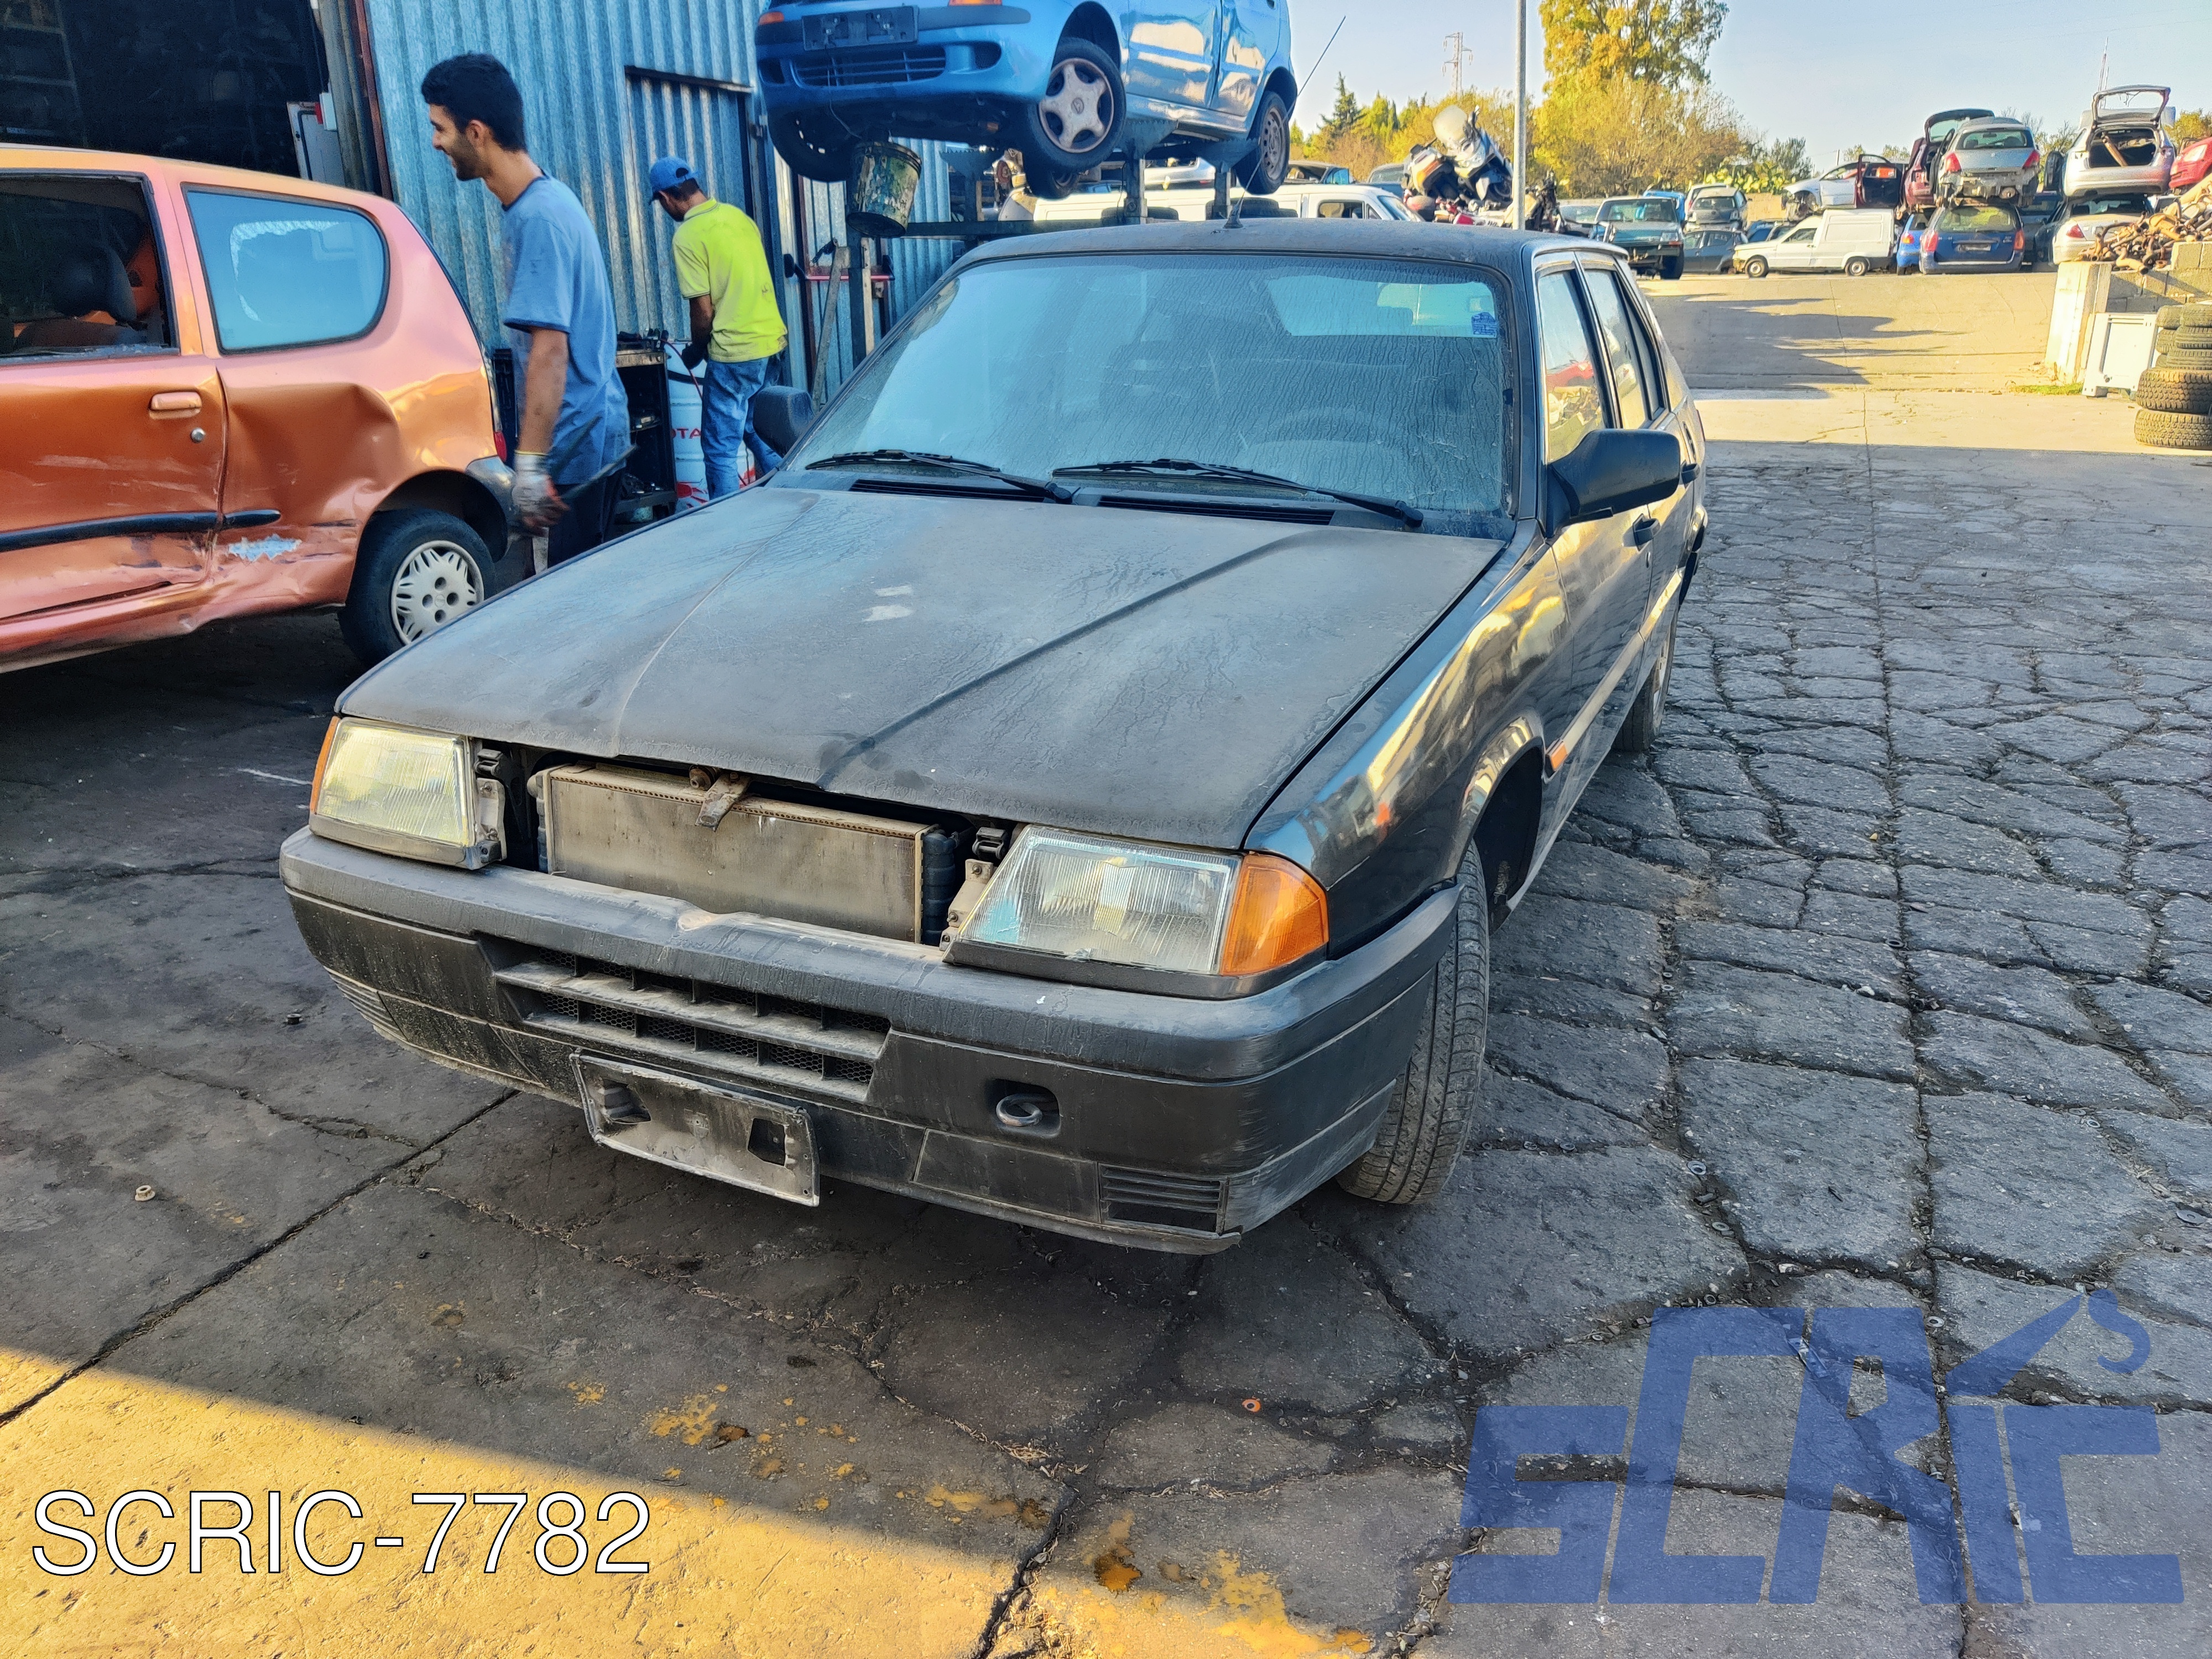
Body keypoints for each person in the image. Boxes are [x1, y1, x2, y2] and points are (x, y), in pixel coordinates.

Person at [421, 53, 629, 562]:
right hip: (588, 437)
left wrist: (531, 469)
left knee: (570, 599)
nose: (435, 143)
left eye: (440, 128)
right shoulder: (546, 201)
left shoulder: (539, 218)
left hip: (575, 449)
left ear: (476, 132)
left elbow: (550, 351)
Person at [648, 155, 787, 497]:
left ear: (665, 198)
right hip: (771, 345)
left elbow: (703, 312)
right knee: (757, 429)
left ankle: (724, 524)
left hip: (735, 354)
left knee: (719, 450)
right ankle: (788, 495)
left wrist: (696, 351)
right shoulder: (738, 218)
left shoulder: (688, 236)